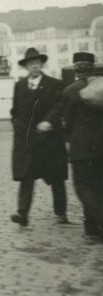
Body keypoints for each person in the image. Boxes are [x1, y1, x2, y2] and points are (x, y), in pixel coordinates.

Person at [10, 48, 68, 227]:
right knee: (27, 176)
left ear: (42, 64)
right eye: (30, 64)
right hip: (28, 141)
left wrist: (49, 122)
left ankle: (61, 213)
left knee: (56, 177)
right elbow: (16, 110)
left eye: (37, 63)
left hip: (49, 140)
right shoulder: (19, 86)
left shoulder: (54, 84)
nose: (34, 66)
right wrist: (18, 126)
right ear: (26, 66)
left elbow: (59, 106)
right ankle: (23, 214)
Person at [62, 52, 103, 242]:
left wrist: (69, 140)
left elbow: (68, 123)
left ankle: (97, 223)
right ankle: (92, 228)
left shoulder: (70, 90)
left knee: (84, 187)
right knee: (99, 184)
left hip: (82, 147)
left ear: (76, 68)